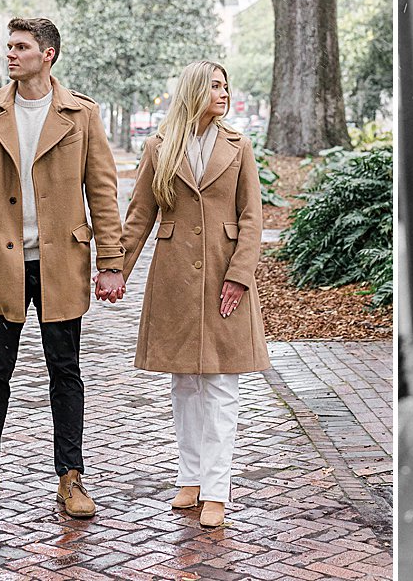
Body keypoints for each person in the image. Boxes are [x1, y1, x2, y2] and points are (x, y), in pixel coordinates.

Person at [0, 17, 126, 520]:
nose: (11, 54)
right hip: (1, 263)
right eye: (9, 46)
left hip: (60, 263)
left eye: (21, 47)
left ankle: (71, 478)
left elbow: (103, 191)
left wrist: (110, 261)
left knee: (65, 373)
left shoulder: (81, 114)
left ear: (47, 54)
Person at [117, 59, 269, 528]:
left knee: (221, 385)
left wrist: (239, 275)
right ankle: (191, 479)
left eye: (226, 86)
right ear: (194, 91)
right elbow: (140, 214)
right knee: (183, 382)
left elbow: (251, 217)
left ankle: (218, 489)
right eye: (216, 87)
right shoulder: (159, 146)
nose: (224, 93)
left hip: (225, 277)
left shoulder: (238, 146)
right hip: (175, 278)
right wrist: (114, 270)